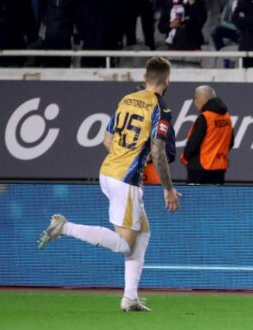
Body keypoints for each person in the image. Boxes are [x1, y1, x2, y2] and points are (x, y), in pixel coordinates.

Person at [37, 56, 181, 312]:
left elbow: (106, 139)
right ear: (167, 80)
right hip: (125, 180)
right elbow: (158, 152)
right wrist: (168, 189)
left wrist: (125, 157)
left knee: (143, 233)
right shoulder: (162, 109)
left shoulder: (126, 100)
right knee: (125, 243)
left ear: (144, 78)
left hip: (109, 170)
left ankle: (130, 297)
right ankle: (65, 227)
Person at [180, 85, 234, 184]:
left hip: (200, 169)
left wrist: (185, 158)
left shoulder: (205, 117)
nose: (195, 102)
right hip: (220, 168)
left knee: (196, 198)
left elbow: (193, 145)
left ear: (203, 98)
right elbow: (230, 142)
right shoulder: (227, 117)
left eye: (196, 98)